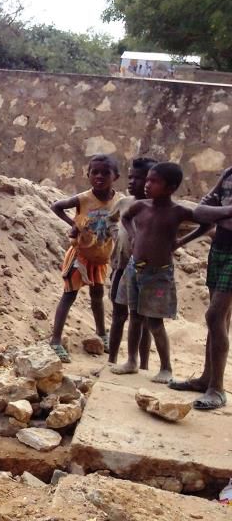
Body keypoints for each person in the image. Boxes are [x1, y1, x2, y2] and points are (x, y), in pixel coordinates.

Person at [110, 163, 232, 382]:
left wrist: (181, 241)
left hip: (159, 274)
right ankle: (131, 360)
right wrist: (133, 234)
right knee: (135, 316)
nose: (147, 185)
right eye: (147, 180)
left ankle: (166, 367)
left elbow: (204, 223)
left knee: (155, 322)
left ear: (171, 188)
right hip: (134, 269)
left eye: (153, 181)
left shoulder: (178, 212)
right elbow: (125, 218)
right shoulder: (141, 207)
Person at [48, 155, 122, 363]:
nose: (99, 176)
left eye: (105, 172)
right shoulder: (83, 198)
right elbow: (56, 206)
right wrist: (73, 223)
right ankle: (55, 340)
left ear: (115, 176)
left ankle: (102, 334)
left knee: (97, 295)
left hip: (101, 257)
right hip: (80, 255)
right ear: (88, 175)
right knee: (69, 295)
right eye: (94, 172)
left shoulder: (119, 201)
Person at [170, 165, 232, 409]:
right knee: (221, 318)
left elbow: (208, 211)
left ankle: (217, 389)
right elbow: (201, 211)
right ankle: (207, 378)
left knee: (214, 315)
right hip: (220, 248)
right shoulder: (229, 174)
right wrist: (227, 211)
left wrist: (217, 213)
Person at [108, 157, 156, 368]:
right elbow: (111, 220)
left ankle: (143, 365)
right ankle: (111, 361)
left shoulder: (156, 208)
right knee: (118, 315)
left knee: (144, 320)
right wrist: (114, 237)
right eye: (131, 177)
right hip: (120, 267)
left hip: (145, 271)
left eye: (140, 178)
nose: (133, 182)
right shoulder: (123, 203)